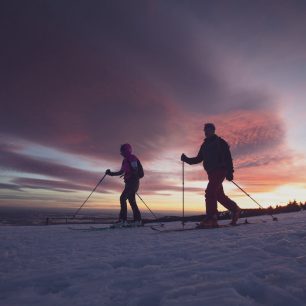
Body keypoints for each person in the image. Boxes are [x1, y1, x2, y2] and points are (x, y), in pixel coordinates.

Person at [181, 123, 241, 228]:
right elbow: (198, 159)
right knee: (219, 195)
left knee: (210, 192)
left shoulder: (220, 142)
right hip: (211, 173)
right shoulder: (204, 145)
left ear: (213, 130)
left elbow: (228, 157)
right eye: (205, 130)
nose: (206, 131)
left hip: (220, 170)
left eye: (209, 129)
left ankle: (211, 218)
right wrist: (186, 159)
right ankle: (235, 210)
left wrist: (230, 172)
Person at [106, 143, 143, 226]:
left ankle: (123, 220)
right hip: (129, 183)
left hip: (133, 182)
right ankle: (138, 220)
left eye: (122, 151)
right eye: (121, 151)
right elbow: (121, 172)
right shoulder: (125, 161)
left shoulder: (132, 158)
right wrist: (110, 173)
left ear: (127, 150)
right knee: (131, 201)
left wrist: (130, 177)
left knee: (123, 198)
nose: (121, 153)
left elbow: (135, 170)